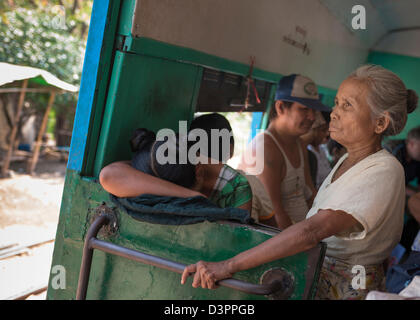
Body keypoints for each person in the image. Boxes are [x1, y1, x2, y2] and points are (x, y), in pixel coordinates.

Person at [181, 64, 419, 300]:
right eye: (337, 102)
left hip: (342, 286)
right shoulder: (349, 158)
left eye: (347, 105)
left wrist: (228, 266)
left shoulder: (384, 170)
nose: (333, 113)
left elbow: (312, 231)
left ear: (380, 123)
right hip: (316, 269)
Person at [238, 74, 330, 229]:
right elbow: (274, 217)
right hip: (284, 238)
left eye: (314, 110)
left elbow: (309, 193)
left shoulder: (299, 143)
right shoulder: (265, 150)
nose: (312, 117)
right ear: (280, 107)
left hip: (303, 230)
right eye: (304, 109)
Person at [384, 126, 420, 251]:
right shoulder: (393, 150)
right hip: (382, 191)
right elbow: (390, 184)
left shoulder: (417, 157)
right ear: (411, 144)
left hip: (400, 188)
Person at [301, 111, 331, 189]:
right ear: (312, 131)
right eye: (323, 130)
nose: (326, 134)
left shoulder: (321, 149)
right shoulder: (307, 152)